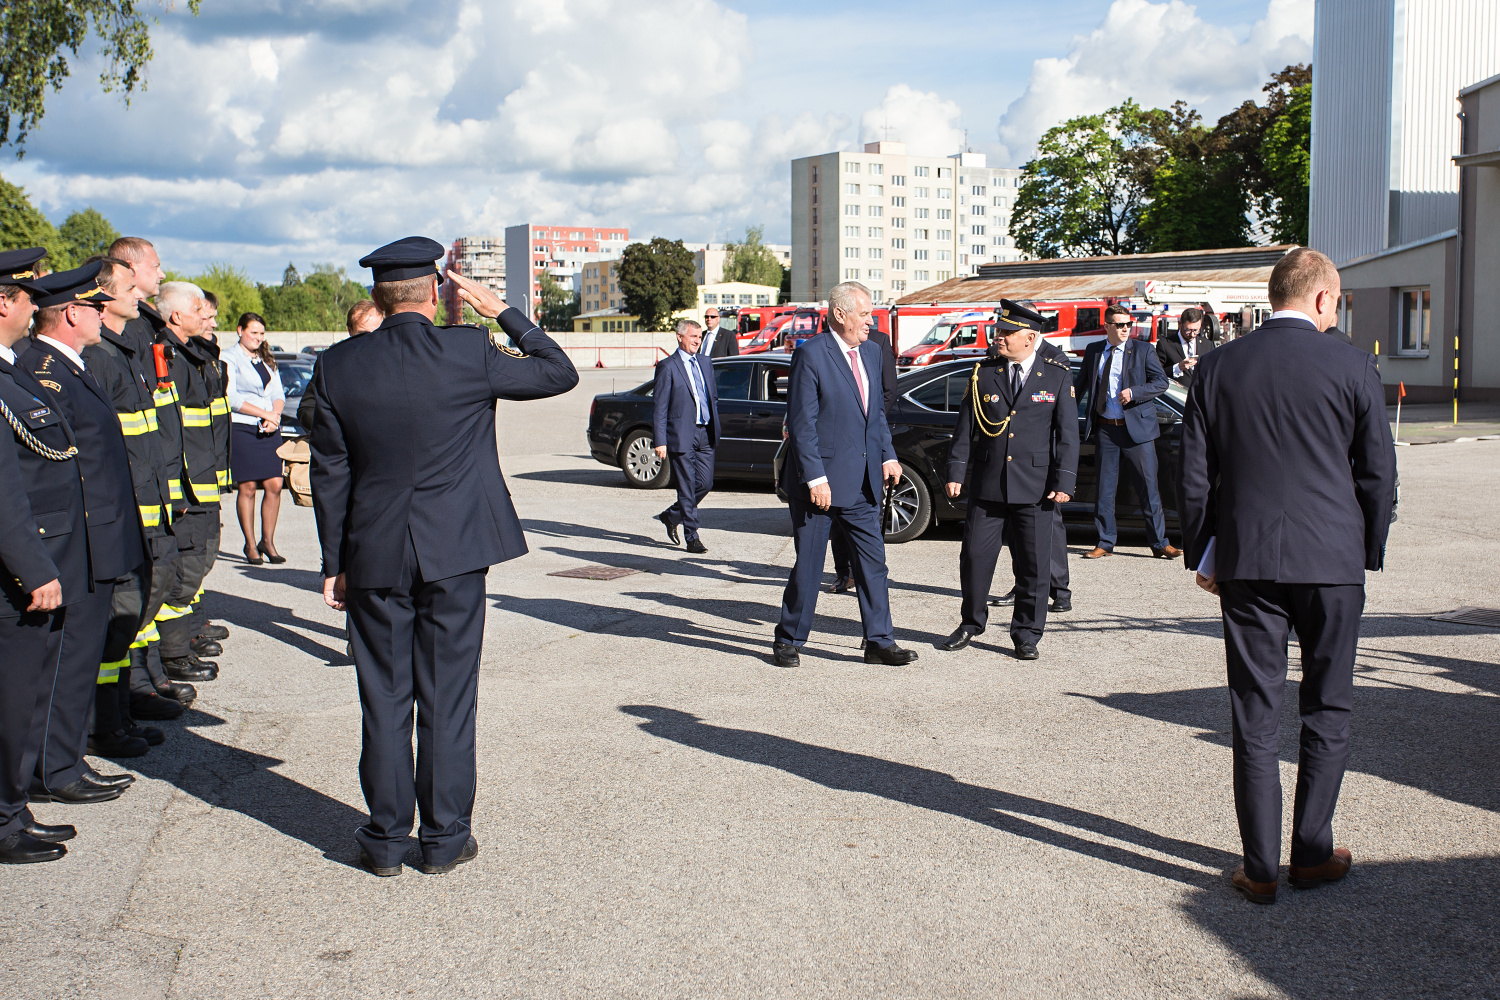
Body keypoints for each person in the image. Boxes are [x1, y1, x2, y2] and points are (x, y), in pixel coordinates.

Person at [310, 237, 577, 877]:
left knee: (383, 696)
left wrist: (333, 561)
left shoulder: (338, 365)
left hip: (373, 553)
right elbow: (557, 370)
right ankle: (444, 838)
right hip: (455, 551)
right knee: (449, 697)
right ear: (435, 292)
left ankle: (385, 840)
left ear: (379, 296)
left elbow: (331, 473)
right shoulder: (468, 350)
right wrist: (501, 310)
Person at [1181, 247, 1396, 906]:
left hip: (1248, 562)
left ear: (1273, 294)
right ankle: (1310, 851)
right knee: (1327, 707)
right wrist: (1367, 550)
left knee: (1255, 715)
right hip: (1331, 562)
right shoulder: (1355, 365)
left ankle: (1260, 869)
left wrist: (1204, 555)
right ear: (1325, 298)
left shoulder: (1217, 367)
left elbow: (1193, 476)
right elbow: (1378, 477)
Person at [23, 263, 151, 787]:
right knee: (67, 663)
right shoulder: (43, 369)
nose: (103, 315)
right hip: (74, 543)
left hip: (94, 539)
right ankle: (56, 769)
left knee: (77, 660)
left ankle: (63, 761)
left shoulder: (75, 364)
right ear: (72, 312)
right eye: (95, 307)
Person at [0, 249, 98, 862]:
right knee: (11, 702)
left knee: (26, 699)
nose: (37, 305)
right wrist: (33, 567)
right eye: (27, 295)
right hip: (20, 572)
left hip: (40, 557)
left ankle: (11, 807)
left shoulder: (10, 377)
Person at [771, 281, 917, 669]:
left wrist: (887, 454)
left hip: (864, 482)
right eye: (865, 313)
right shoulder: (812, 355)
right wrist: (816, 477)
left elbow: (876, 416)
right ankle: (789, 638)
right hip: (821, 484)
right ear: (840, 314)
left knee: (873, 565)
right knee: (809, 564)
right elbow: (803, 425)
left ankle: (879, 640)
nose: (872, 321)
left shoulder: (871, 352)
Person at [940, 301, 1078, 661]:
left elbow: (1067, 434)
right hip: (989, 485)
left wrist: (1064, 480)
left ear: (1030, 338)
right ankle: (971, 621)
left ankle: (1027, 633)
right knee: (973, 557)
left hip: (1035, 487)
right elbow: (965, 428)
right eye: (999, 331)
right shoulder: (984, 373)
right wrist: (956, 470)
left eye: (1006, 332)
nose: (998, 337)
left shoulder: (1057, 374)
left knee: (1033, 565)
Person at [151, 281, 223, 684]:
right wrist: (173, 490)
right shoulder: (167, 356)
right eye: (199, 309)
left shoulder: (192, 352)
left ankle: (181, 643)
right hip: (184, 488)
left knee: (198, 563)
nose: (206, 315)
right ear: (177, 315)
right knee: (182, 573)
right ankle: (173, 654)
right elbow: (168, 433)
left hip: (201, 480)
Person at [989, 303, 1075, 614]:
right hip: (1016, 460)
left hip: (1043, 460)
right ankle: (1024, 583)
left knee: (1049, 529)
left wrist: (1060, 472)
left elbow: (1061, 420)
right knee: (1019, 532)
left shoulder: (1055, 358)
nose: (1006, 331)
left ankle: (1059, 588)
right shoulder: (1003, 354)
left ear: (1032, 330)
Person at [1079, 304, 1180, 560]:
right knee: (1104, 489)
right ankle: (1105, 541)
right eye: (1120, 325)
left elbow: (1161, 382)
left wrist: (1134, 393)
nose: (1125, 329)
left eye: (1128, 325)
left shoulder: (1143, 350)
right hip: (1106, 429)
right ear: (1108, 326)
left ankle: (1159, 543)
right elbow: (1078, 387)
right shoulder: (1093, 351)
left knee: (1148, 488)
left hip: (1138, 431)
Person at [827, 320, 897, 595]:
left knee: (867, 514)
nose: (867, 320)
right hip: (839, 449)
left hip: (869, 442)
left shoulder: (878, 343)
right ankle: (843, 572)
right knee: (837, 520)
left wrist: (869, 426)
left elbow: (887, 391)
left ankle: (865, 574)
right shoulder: (827, 343)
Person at [223, 312, 286, 565]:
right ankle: (250, 544)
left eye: (261, 333)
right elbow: (232, 397)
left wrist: (275, 416)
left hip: (269, 427)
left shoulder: (266, 359)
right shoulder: (228, 357)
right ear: (240, 330)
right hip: (243, 427)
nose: (258, 338)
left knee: (275, 485)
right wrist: (264, 413)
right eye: (253, 332)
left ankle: (267, 541)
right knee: (248, 487)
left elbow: (278, 392)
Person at [652, 319, 718, 554]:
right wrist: (660, 440)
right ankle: (692, 536)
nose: (697, 341)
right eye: (693, 337)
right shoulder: (668, 366)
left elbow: (712, 397)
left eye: (700, 337)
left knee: (705, 483)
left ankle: (671, 516)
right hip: (681, 435)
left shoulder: (705, 362)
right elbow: (659, 407)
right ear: (679, 337)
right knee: (687, 486)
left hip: (705, 433)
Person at [297, 300, 382, 434]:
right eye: (362, 334)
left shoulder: (397, 360)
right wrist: (336, 428)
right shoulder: (330, 362)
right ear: (350, 331)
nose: (368, 340)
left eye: (375, 333)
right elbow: (306, 410)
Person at [1156, 306, 1215, 386]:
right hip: (1176, 395)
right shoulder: (1165, 344)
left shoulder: (1207, 345)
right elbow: (1156, 374)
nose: (1192, 334)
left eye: (1196, 330)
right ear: (1180, 324)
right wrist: (1178, 368)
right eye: (1188, 330)